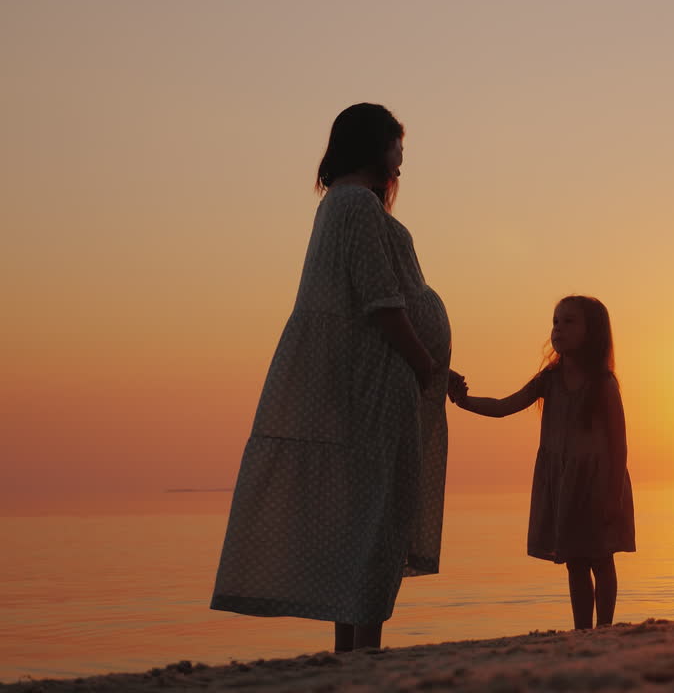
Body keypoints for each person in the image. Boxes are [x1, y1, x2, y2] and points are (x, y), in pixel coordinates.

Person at [211, 103, 458, 653]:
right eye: (398, 145)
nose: (401, 158)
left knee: (359, 519)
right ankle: (362, 652)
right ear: (375, 146)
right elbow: (382, 303)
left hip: (369, 374)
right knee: (374, 516)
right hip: (374, 385)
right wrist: (424, 364)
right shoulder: (357, 208)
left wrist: (428, 360)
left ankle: (351, 651)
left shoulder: (338, 205)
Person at [450, 296, 636, 629]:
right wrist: (465, 402)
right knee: (575, 562)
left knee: (601, 558)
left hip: (598, 483)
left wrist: (613, 495)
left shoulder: (603, 384)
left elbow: (619, 443)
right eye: (555, 321)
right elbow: (504, 405)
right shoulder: (548, 380)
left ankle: (606, 628)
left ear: (592, 332)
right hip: (563, 482)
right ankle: (582, 630)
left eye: (569, 322)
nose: (558, 329)